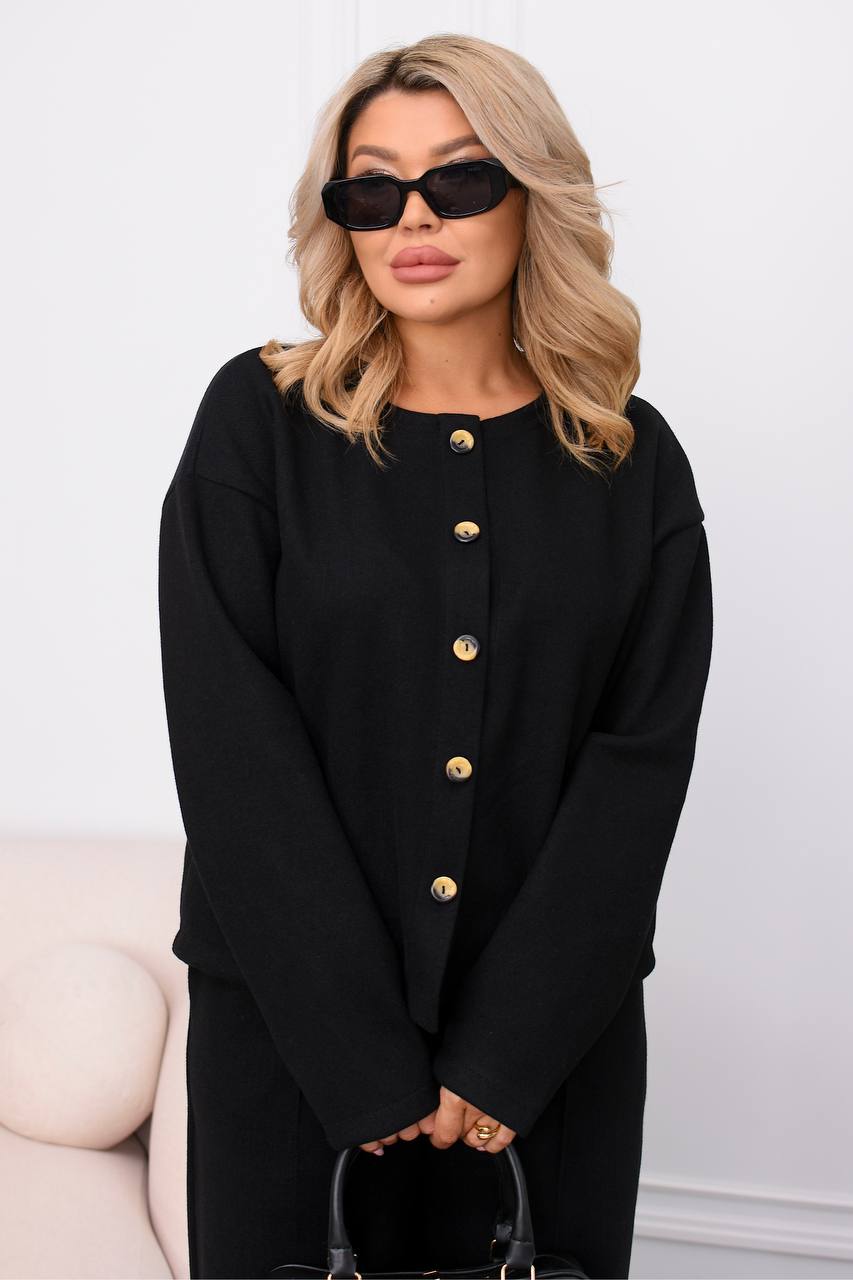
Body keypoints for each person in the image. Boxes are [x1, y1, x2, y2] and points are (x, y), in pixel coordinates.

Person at [158, 32, 713, 1280]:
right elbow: (231, 741)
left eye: (458, 180)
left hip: (542, 1062)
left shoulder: (629, 463)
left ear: (533, 194)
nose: (413, 217)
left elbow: (637, 766)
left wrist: (509, 1052)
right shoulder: (259, 424)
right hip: (290, 1044)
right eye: (372, 188)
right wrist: (356, 1053)